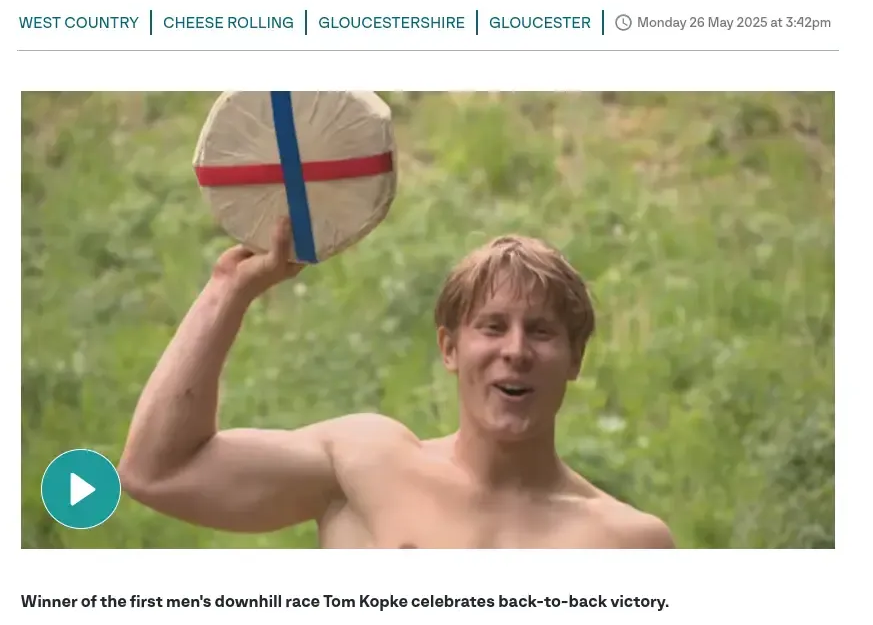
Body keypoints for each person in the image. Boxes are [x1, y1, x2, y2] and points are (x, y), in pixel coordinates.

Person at [118, 217, 675, 549]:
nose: (515, 351)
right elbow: (158, 471)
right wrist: (228, 289)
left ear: (575, 359)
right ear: (449, 348)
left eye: (543, 332)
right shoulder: (364, 467)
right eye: (492, 327)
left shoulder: (626, 544)